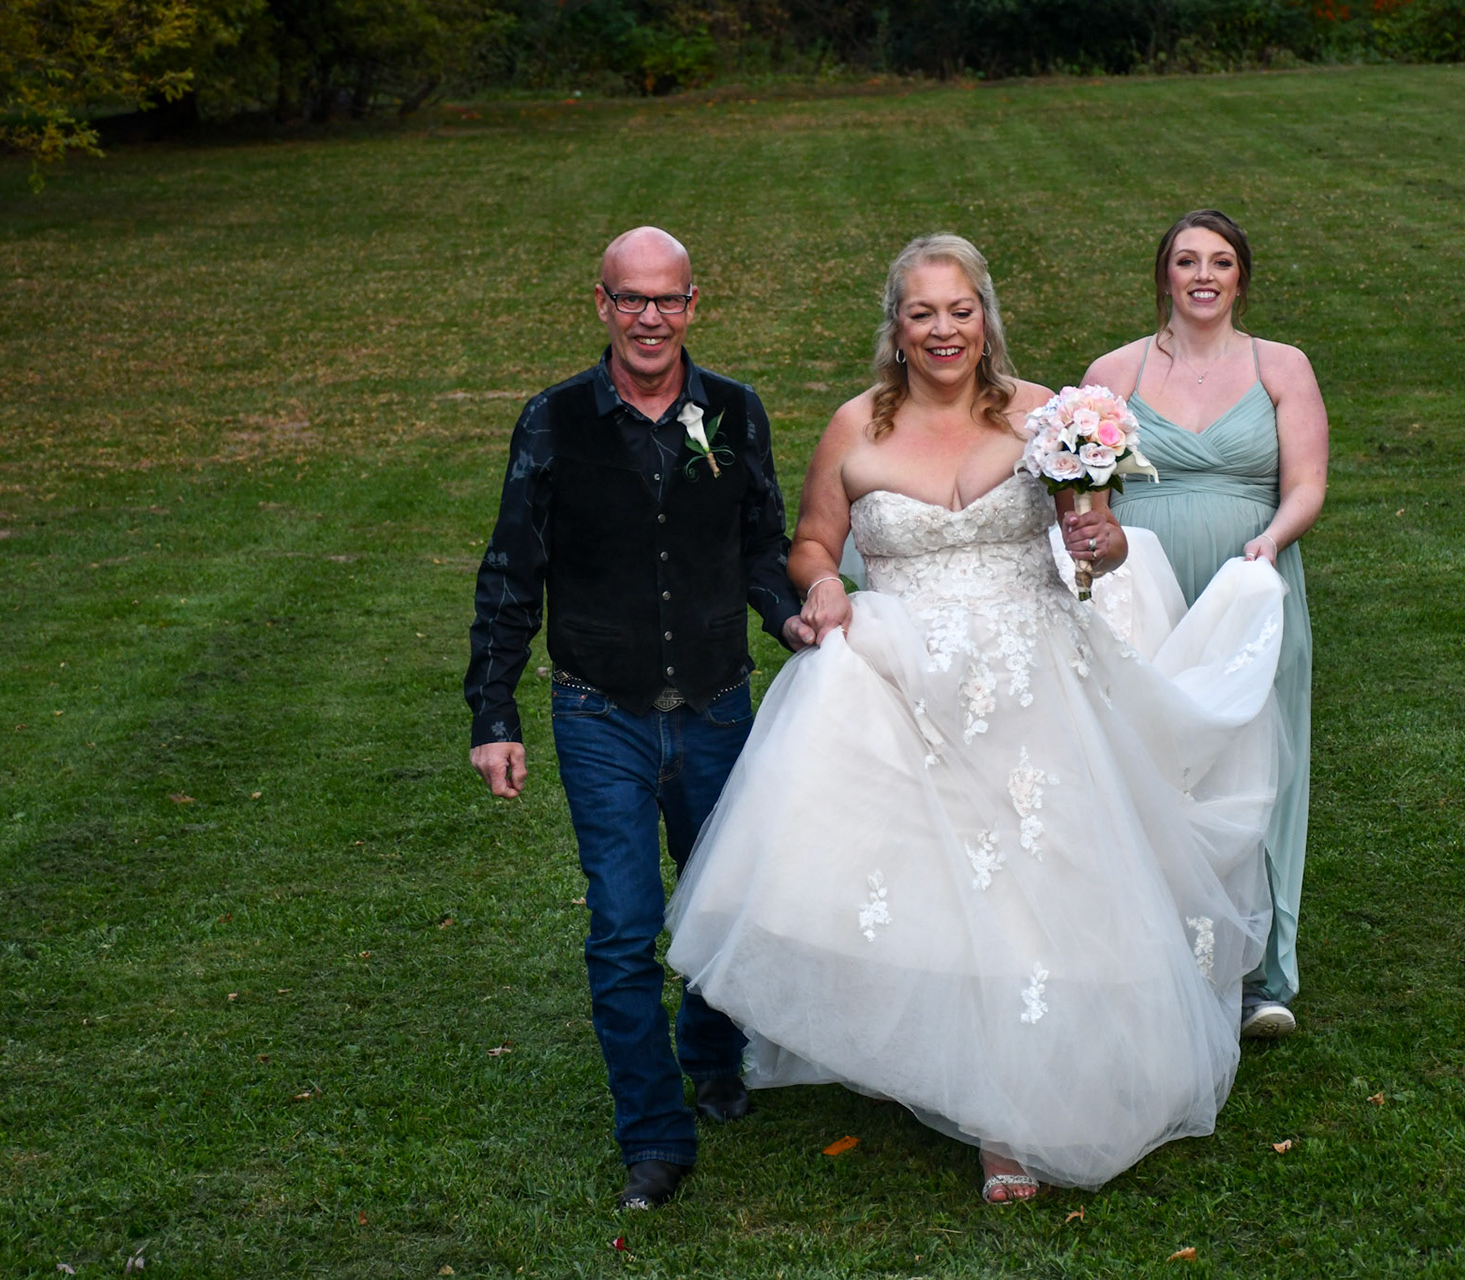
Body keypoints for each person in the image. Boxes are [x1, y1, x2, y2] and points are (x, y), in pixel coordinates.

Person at [665, 233, 1288, 1199]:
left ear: (985, 318)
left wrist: (1104, 539)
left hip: (1035, 676)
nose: (944, 330)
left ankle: (1010, 1120)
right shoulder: (855, 426)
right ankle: (931, 1057)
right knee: (930, 893)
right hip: (902, 678)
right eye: (923, 313)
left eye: (960, 310)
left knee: (1036, 895)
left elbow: (1099, 543)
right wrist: (822, 583)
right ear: (896, 327)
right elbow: (813, 543)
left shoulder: (1049, 415)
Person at [463, 226, 812, 1211]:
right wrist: (493, 711)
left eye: (667, 299)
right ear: (602, 303)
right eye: (631, 299)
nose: (649, 318)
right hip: (599, 711)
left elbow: (762, 543)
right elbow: (510, 570)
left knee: (720, 902)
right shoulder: (554, 420)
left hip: (715, 704)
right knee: (621, 928)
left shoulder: (735, 411)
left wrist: (788, 617)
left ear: (694, 304)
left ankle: (713, 1053)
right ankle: (654, 1136)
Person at [1082, 209, 1327, 1039]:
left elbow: (1307, 483)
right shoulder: (1113, 372)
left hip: (1248, 587)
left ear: (1240, 276)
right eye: (1186, 261)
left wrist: (1272, 541)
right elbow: (1083, 487)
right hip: (1140, 588)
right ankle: (1148, 958)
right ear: (1164, 275)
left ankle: (1258, 973)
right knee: (1149, 765)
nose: (1203, 276)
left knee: (1258, 767)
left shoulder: (1281, 366)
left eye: (1220, 262)